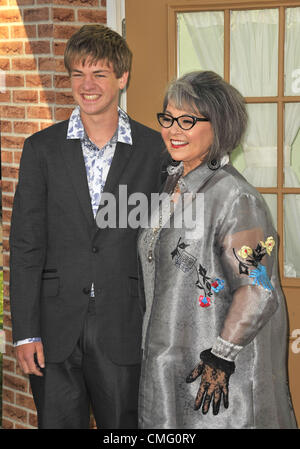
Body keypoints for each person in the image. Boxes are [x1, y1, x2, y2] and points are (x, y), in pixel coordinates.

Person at [9, 24, 165, 429]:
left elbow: (167, 242)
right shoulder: (41, 148)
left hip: (125, 323)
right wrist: (25, 333)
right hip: (53, 329)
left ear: (122, 77)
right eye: (77, 74)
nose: (87, 84)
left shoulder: (155, 150)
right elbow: (25, 244)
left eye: (99, 73)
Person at [137, 71, 298, 429]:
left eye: (188, 120)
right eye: (168, 118)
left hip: (214, 374)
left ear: (220, 126)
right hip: (169, 357)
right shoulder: (173, 183)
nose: (173, 130)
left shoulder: (236, 198)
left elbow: (257, 288)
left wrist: (221, 357)